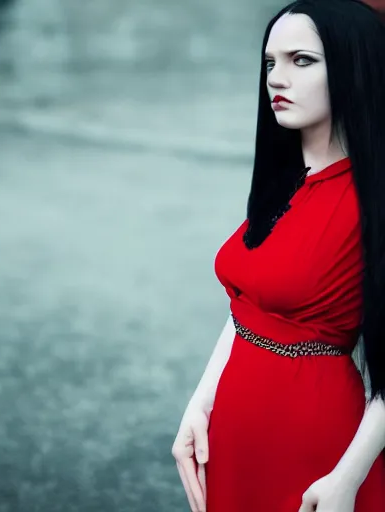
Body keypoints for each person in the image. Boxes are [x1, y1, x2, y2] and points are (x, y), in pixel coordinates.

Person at [171, 1, 385, 511]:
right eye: (270, 62)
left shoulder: (371, 199)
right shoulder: (287, 181)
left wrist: (346, 480)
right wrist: (200, 404)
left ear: (353, 66)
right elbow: (249, 307)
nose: (277, 78)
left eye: (301, 60)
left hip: (319, 447)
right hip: (234, 426)